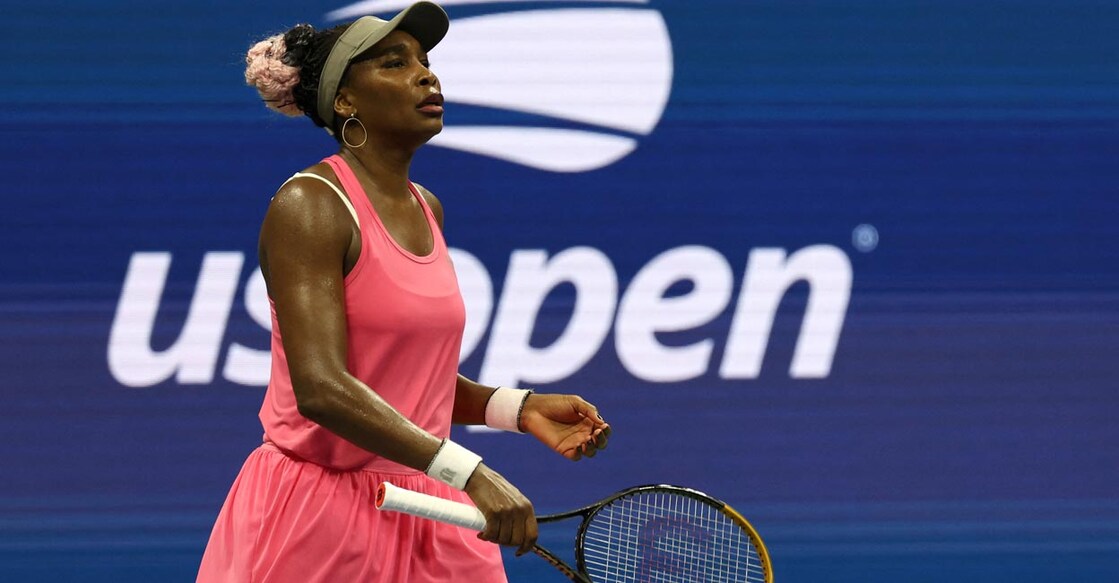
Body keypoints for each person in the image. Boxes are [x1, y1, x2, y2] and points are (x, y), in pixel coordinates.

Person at [197, 3, 611, 581]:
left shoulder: (427, 207)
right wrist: (469, 473)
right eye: (394, 63)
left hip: (432, 509)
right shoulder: (310, 206)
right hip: (321, 513)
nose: (426, 75)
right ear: (346, 102)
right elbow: (321, 388)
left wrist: (514, 409)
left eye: (425, 61)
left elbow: (407, 384)